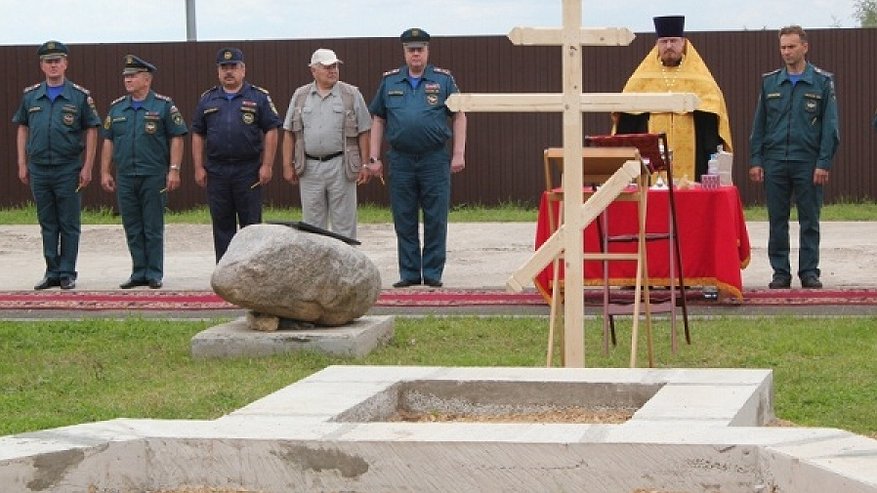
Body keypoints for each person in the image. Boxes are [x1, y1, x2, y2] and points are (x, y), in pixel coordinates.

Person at [368, 28, 467, 288]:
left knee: (436, 218)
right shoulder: (390, 81)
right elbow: (378, 118)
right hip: (401, 160)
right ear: (404, 52)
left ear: (427, 51)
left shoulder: (443, 80)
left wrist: (458, 153)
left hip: (434, 159)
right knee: (404, 218)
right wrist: (373, 157)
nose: (415, 54)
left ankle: (433, 273)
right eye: (411, 49)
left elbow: (459, 115)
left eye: (420, 49)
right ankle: (410, 273)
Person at [749, 25, 839, 290]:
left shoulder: (822, 82)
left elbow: (830, 127)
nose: (786, 52)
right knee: (777, 219)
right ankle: (780, 272)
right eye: (783, 47)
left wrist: (824, 162)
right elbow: (760, 125)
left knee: (809, 219)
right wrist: (756, 159)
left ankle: (809, 271)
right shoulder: (770, 82)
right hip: (775, 160)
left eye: (791, 46)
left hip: (807, 161)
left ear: (804, 47)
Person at [12, 40, 101, 290]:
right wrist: (22, 162)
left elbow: (92, 129)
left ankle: (67, 272)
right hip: (39, 168)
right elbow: (22, 127)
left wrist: (87, 166)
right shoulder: (31, 96)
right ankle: (51, 271)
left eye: (57, 61)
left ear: (65, 64)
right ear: (42, 65)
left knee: (69, 222)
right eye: (48, 61)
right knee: (47, 222)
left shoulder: (79, 96)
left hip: (68, 168)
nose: (53, 65)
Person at [100, 55, 188, 289]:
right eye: (126, 76)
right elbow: (108, 140)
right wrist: (105, 171)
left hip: (153, 174)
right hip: (126, 175)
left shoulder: (163, 106)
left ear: (147, 79)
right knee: (132, 225)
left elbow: (177, 137)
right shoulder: (117, 108)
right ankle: (138, 270)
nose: (128, 80)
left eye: (133, 76)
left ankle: (154, 272)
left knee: (152, 225)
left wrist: (174, 170)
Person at [615, 15, 733, 181]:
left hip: (694, 158)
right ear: (657, 44)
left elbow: (711, 115)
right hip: (650, 160)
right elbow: (627, 120)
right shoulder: (642, 78)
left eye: (673, 41)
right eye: (664, 42)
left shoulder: (699, 76)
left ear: (683, 43)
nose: (669, 46)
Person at [191, 47, 282, 262]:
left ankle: (252, 269)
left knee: (251, 224)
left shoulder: (258, 97)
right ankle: (225, 270)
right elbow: (197, 133)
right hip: (217, 170)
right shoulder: (207, 99)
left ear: (243, 70)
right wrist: (198, 166)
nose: (229, 71)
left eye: (233, 67)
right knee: (222, 223)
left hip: (248, 170)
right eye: (224, 67)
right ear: (218, 71)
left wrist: (267, 165)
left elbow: (271, 129)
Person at [281, 48, 372, 240]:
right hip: (309, 168)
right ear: (314, 71)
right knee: (312, 226)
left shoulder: (351, 94)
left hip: (341, 166)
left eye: (335, 66)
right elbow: (289, 132)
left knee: (344, 223)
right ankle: (317, 268)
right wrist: (287, 165)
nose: (333, 70)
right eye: (327, 67)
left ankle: (345, 267)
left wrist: (365, 164)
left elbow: (364, 130)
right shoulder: (300, 95)